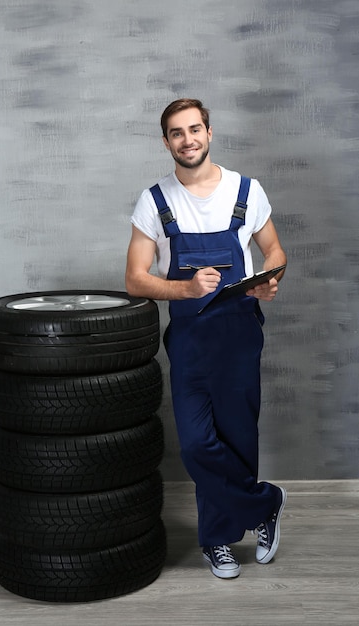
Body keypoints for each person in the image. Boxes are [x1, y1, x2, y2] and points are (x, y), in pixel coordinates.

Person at [125, 98, 287, 580]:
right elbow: (136, 279)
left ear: (210, 133)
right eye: (177, 132)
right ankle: (265, 504)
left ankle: (216, 539)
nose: (188, 139)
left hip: (239, 337)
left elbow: (273, 247)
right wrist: (185, 288)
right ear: (166, 142)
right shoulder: (155, 200)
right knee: (197, 445)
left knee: (239, 438)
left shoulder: (246, 190)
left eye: (195, 129)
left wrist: (270, 277)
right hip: (191, 340)